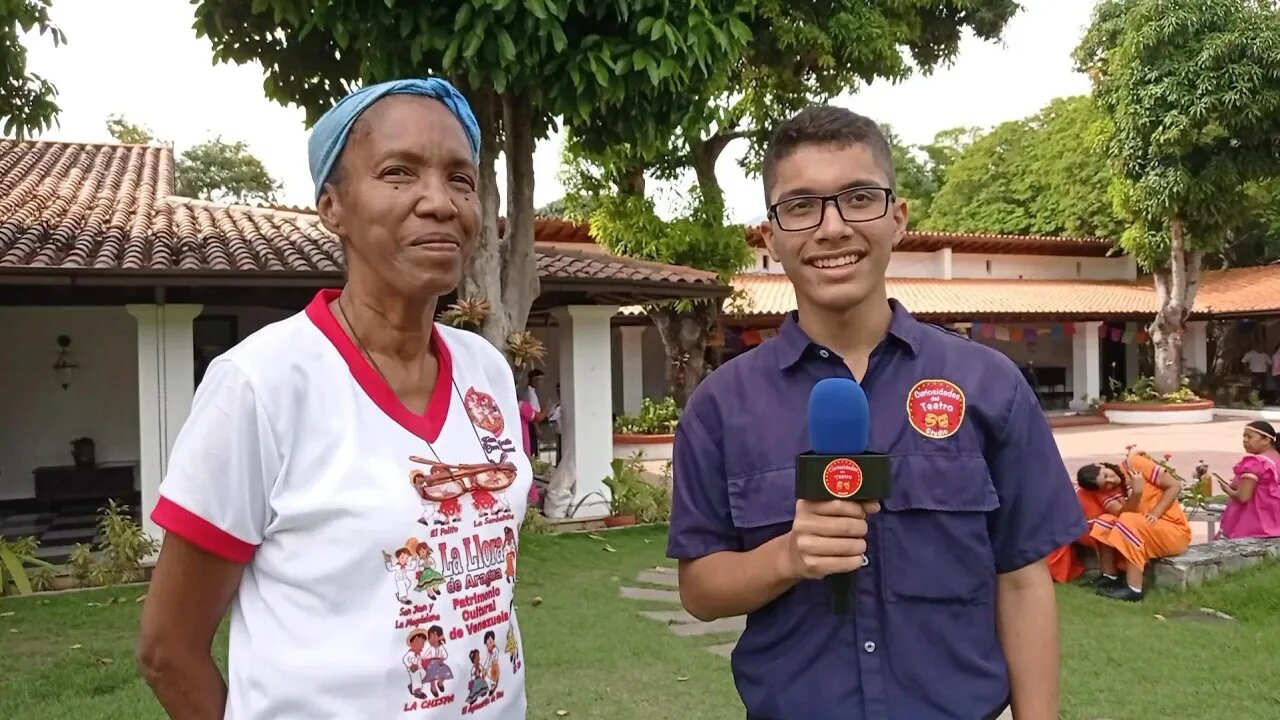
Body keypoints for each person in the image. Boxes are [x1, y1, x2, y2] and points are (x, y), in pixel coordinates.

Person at [666, 105, 1085, 720]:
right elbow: (700, 590)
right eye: (802, 206)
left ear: (898, 217)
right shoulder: (720, 407)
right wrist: (786, 556)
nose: (832, 228)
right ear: (771, 235)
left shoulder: (987, 384)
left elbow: (1023, 581)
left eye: (858, 197)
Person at [136, 77, 531, 718]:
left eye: (461, 179)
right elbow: (167, 650)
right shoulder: (263, 385)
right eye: (399, 173)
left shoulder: (486, 370)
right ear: (332, 206)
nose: (440, 202)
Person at [1075, 449, 1191, 601]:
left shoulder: (1134, 463)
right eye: (1106, 485)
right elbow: (1121, 514)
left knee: (1128, 520)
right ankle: (1110, 576)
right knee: (1105, 521)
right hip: (1145, 529)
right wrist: (1136, 493)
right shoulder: (1104, 492)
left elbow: (1174, 486)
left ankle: (1134, 588)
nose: (1111, 481)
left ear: (1101, 465)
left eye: (1106, 475)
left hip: (1173, 530)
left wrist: (1155, 513)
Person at [1198, 421, 1280, 539]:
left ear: (1266, 440)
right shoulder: (1276, 458)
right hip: (1273, 523)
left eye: (1249, 437)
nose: (1245, 440)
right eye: (1244, 436)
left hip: (1252, 524)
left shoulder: (1255, 462)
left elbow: (1243, 497)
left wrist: (1227, 489)